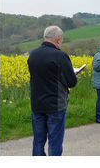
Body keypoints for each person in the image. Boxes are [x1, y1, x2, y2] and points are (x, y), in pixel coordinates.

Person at [27, 26, 78, 156]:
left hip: (37, 105)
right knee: (54, 143)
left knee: (38, 141)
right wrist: (74, 75)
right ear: (58, 39)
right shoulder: (60, 56)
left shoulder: (33, 54)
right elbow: (71, 82)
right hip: (55, 106)